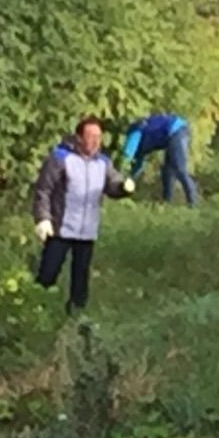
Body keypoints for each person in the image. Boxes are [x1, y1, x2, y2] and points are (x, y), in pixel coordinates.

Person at [32, 117, 136, 314]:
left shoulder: (103, 163)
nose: (96, 141)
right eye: (90, 136)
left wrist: (123, 188)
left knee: (81, 277)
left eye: (98, 137)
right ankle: (36, 309)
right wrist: (43, 218)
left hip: (87, 230)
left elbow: (112, 185)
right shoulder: (61, 158)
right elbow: (43, 189)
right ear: (79, 138)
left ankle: (76, 315)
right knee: (48, 272)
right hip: (60, 228)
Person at [123, 113, 198, 206]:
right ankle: (167, 204)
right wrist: (131, 178)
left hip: (176, 130)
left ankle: (193, 204)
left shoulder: (135, 132)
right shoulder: (140, 145)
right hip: (171, 135)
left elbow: (127, 156)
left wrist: (123, 176)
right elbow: (137, 165)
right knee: (167, 171)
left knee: (180, 169)